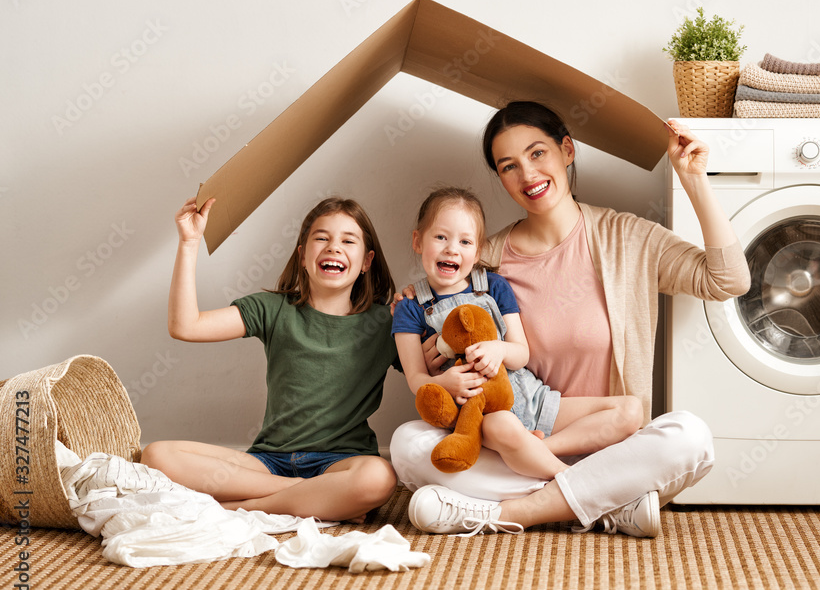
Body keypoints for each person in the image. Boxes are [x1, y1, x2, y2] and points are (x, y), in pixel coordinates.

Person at [390, 101, 751, 538]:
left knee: (690, 436)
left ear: (567, 150)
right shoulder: (482, 262)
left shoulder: (626, 239)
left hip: (613, 451)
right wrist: (427, 339)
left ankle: (512, 512)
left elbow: (728, 280)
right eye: (508, 166)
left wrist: (694, 179)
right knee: (407, 444)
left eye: (537, 153)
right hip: (511, 449)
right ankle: (601, 505)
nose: (527, 175)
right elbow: (428, 344)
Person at [142, 196, 400, 523]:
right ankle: (311, 494)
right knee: (156, 455)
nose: (334, 247)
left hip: (341, 462)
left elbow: (435, 371)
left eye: (348, 241)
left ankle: (237, 509)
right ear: (303, 256)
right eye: (321, 238)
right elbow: (185, 326)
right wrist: (190, 242)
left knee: (379, 478)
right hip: (267, 462)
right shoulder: (273, 309)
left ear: (366, 261)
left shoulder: (388, 323)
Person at [393, 187, 643, 481]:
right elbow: (416, 379)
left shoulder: (494, 286)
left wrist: (499, 349)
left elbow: (521, 353)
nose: (452, 248)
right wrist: (443, 382)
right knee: (504, 426)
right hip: (484, 416)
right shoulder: (409, 307)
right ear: (417, 241)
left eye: (465, 241)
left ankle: (540, 449)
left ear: (478, 251)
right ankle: (576, 481)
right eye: (440, 237)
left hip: (533, 398)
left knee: (631, 410)